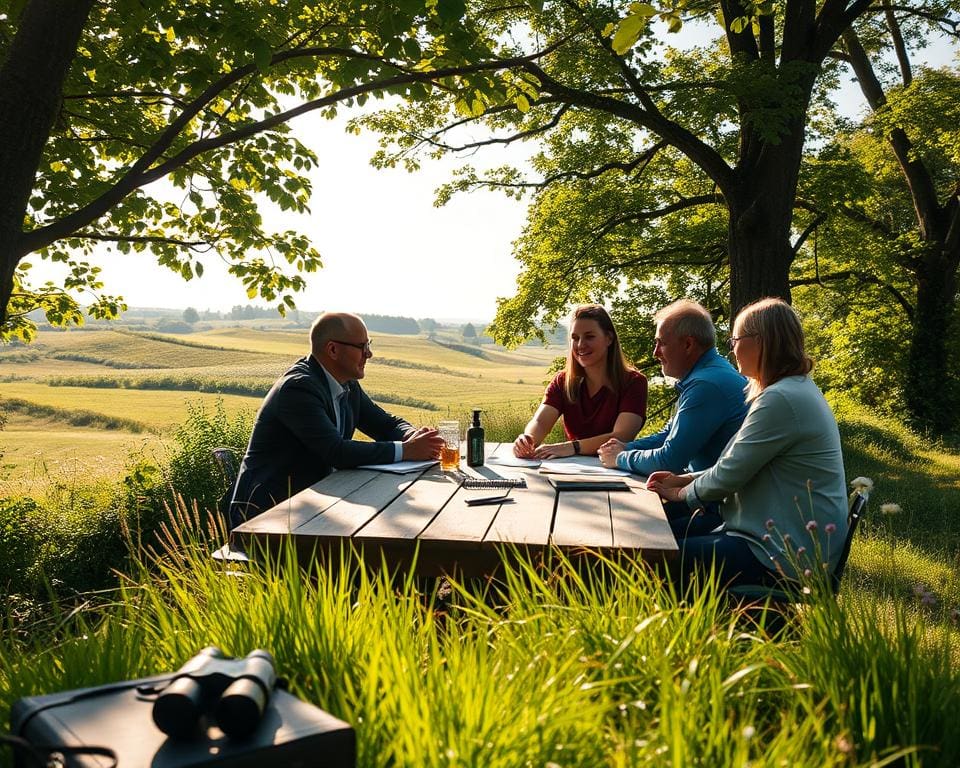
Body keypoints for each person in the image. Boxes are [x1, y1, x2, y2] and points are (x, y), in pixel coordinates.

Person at [646, 298, 849, 588]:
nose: (732, 349)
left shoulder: (781, 398)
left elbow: (730, 474)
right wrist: (687, 479)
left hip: (781, 556)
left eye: (736, 340)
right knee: (661, 538)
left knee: (653, 555)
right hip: (777, 540)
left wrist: (682, 493)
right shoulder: (792, 390)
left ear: (761, 341)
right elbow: (739, 464)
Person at [230, 312, 444, 524]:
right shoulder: (298, 388)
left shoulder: (346, 383)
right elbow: (336, 451)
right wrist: (407, 450)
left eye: (368, 345)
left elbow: (385, 424)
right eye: (362, 347)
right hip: (268, 515)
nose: (369, 354)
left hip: (315, 503)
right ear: (332, 349)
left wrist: (414, 436)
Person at [597, 300, 749, 536]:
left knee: (629, 534)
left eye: (661, 343)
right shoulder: (707, 374)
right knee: (620, 521)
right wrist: (625, 447)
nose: (655, 352)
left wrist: (621, 457)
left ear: (688, 344)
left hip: (722, 509)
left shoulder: (706, 385)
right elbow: (667, 434)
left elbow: (669, 460)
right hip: (705, 496)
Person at [513, 304, 647, 459]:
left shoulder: (634, 382)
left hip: (613, 468)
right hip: (572, 467)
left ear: (609, 338)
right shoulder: (563, 381)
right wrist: (527, 440)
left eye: (589, 337)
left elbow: (622, 436)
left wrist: (573, 447)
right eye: (575, 338)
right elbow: (540, 422)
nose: (581, 345)